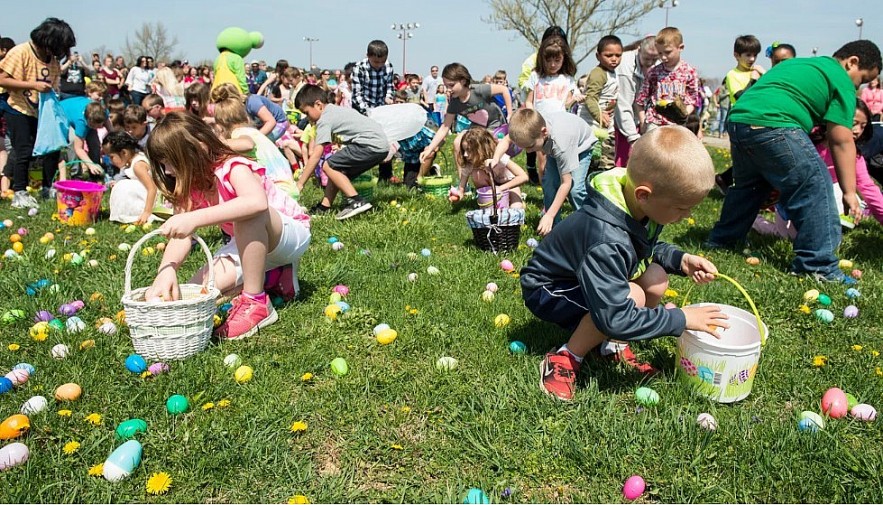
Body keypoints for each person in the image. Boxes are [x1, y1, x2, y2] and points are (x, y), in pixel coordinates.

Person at [522, 126, 726, 401]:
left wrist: (681, 260)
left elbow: (643, 250)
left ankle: (611, 347)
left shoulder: (637, 204)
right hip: (549, 289)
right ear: (644, 194)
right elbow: (615, 315)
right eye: (680, 208)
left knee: (656, 276)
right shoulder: (605, 238)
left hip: (584, 279)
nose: (686, 215)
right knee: (633, 297)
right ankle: (565, 358)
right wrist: (682, 319)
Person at [706, 40, 882, 282]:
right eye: (861, 79)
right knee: (814, 186)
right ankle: (816, 264)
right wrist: (849, 191)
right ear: (852, 62)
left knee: (749, 187)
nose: (858, 88)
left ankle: (723, 241)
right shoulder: (840, 79)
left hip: (740, 120)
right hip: (774, 123)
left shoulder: (801, 65)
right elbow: (841, 141)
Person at [145, 112, 311, 339]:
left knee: (249, 212)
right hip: (248, 243)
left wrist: (193, 218)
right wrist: (167, 269)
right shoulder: (189, 186)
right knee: (200, 289)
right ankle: (273, 275)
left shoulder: (233, 167)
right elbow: (181, 237)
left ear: (199, 148)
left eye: (171, 162)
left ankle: (257, 303)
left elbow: (256, 203)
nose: (168, 171)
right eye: (162, 164)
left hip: (287, 234)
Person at [0, 17, 76, 208]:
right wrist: (32, 85)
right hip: (18, 108)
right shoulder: (21, 52)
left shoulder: (53, 60)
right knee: (23, 150)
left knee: (52, 148)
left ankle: (47, 187)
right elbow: (2, 79)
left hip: (42, 111)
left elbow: (54, 84)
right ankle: (20, 192)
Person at [492, 108, 595, 235]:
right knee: (549, 183)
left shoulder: (561, 143)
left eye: (530, 147)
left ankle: (589, 224)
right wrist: (496, 158)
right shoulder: (529, 129)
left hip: (581, 147)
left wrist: (549, 215)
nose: (528, 152)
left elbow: (565, 184)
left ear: (544, 132)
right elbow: (507, 140)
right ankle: (554, 229)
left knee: (575, 190)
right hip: (553, 144)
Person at [294, 84, 388, 220]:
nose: (307, 118)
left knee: (328, 165)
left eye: (307, 113)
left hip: (369, 144)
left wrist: (300, 184)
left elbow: (316, 155)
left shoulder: (324, 119)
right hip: (380, 146)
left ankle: (356, 201)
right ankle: (324, 207)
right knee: (337, 169)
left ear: (318, 104)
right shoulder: (335, 110)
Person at [418, 63, 512, 178]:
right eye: (446, 86)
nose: (448, 89)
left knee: (488, 151)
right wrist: (430, 149)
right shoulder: (455, 103)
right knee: (457, 142)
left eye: (451, 85)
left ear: (462, 81)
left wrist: (510, 114)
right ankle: (463, 182)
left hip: (496, 126)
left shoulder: (479, 90)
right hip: (477, 128)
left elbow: (504, 90)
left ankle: (503, 179)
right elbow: (445, 127)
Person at [213, 97, 297, 198]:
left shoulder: (239, 133)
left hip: (278, 190)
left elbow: (247, 144)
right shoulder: (254, 132)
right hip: (289, 185)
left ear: (220, 125)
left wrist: (216, 143)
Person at [636, 27, 700, 133]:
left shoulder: (690, 72)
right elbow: (640, 100)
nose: (664, 57)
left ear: (681, 47)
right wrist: (643, 121)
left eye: (668, 52)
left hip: (678, 124)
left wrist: (684, 114)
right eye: (660, 53)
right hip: (655, 123)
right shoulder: (654, 72)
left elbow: (693, 100)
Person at [448, 128, 528, 209]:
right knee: (477, 174)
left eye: (468, 150)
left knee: (516, 208)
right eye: (464, 150)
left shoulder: (498, 157)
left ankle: (515, 199)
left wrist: (500, 188)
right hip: (490, 189)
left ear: (481, 149)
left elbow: (523, 177)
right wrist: (458, 195)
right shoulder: (470, 163)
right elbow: (461, 189)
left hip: (508, 186)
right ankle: (486, 197)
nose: (465, 154)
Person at [351, 40, 396, 182]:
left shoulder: (388, 67)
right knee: (363, 142)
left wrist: (389, 98)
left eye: (382, 62)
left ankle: (386, 175)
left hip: (381, 108)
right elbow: (357, 94)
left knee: (386, 139)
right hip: (363, 109)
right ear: (367, 56)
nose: (379, 65)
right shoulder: (359, 68)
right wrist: (368, 112)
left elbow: (389, 87)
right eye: (376, 62)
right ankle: (357, 174)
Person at [580, 35, 623, 169]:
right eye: (609, 55)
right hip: (592, 126)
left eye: (618, 55)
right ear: (598, 56)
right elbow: (590, 98)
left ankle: (602, 185)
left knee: (607, 163)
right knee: (593, 162)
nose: (614, 59)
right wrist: (600, 115)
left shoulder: (613, 73)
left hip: (606, 127)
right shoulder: (598, 73)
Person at [614, 35, 657, 167]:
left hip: (642, 118)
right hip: (620, 119)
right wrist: (633, 137)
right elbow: (623, 105)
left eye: (654, 58)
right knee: (624, 161)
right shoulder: (625, 67)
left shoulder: (659, 65)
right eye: (647, 58)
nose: (650, 62)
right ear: (639, 50)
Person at [106, 131, 158, 224]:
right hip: (148, 196)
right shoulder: (132, 161)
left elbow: (152, 188)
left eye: (112, 157)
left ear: (123, 152)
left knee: (123, 185)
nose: (111, 161)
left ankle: (135, 214)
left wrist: (147, 212)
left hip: (154, 199)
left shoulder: (137, 165)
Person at [59, 96, 106, 181]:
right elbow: (78, 149)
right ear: (88, 121)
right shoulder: (81, 122)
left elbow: (111, 130)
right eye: (93, 126)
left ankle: (96, 172)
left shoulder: (103, 112)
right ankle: (76, 175)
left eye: (100, 125)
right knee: (72, 144)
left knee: (95, 143)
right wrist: (89, 164)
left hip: (76, 106)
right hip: (64, 113)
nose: (98, 128)